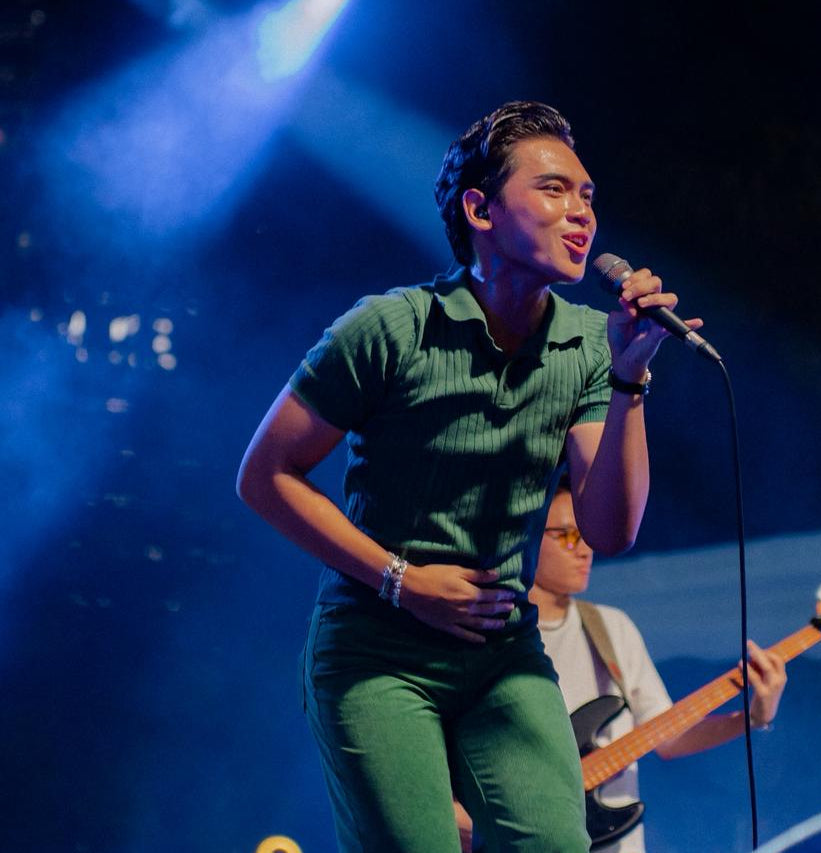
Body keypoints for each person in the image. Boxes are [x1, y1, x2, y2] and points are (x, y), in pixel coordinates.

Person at [236, 100, 703, 853]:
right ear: (480, 208)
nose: (581, 212)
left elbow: (612, 529)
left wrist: (629, 378)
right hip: (376, 650)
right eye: (553, 190)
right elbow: (264, 476)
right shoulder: (389, 328)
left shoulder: (589, 344)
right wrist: (401, 579)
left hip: (499, 649)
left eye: (587, 195)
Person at [529, 481, 787, 853]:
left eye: (586, 535)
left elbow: (668, 737)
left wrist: (752, 718)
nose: (585, 549)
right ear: (527, 541)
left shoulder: (611, 628)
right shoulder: (499, 640)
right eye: (568, 536)